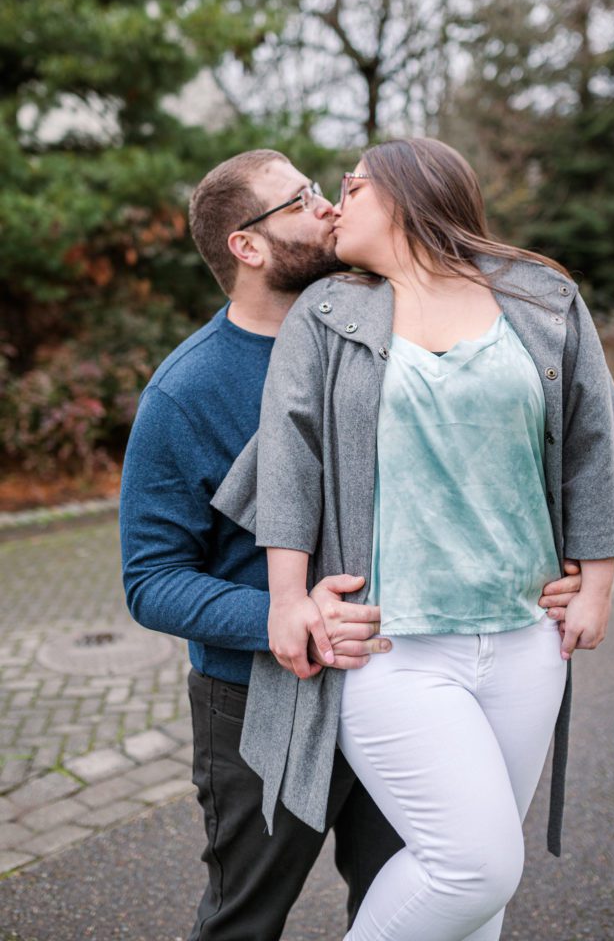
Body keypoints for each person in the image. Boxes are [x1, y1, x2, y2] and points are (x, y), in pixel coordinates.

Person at [212, 139, 614, 941]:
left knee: (479, 898)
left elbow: (591, 437)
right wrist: (287, 598)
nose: (333, 209)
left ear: (401, 195)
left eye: (349, 189)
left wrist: (595, 580)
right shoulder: (328, 315)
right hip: (398, 649)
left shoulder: (542, 297)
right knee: (476, 865)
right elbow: (289, 461)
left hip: (527, 640)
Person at [119, 148, 583, 941]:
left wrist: (559, 566)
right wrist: (280, 613)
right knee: (244, 915)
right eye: (300, 201)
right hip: (262, 691)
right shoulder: (187, 390)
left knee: (433, 891)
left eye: (325, 191)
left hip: (404, 669)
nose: (329, 207)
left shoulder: (403, 319)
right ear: (248, 246)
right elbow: (150, 579)